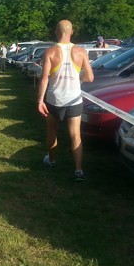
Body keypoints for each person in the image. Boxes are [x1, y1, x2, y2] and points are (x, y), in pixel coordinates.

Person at [37, 20, 94, 181]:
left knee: (52, 131)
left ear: (56, 31)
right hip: (74, 100)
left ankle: (52, 160)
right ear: (72, 32)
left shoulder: (50, 52)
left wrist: (40, 100)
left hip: (54, 100)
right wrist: (78, 77)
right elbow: (90, 77)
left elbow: (44, 78)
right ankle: (78, 170)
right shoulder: (81, 51)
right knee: (75, 135)